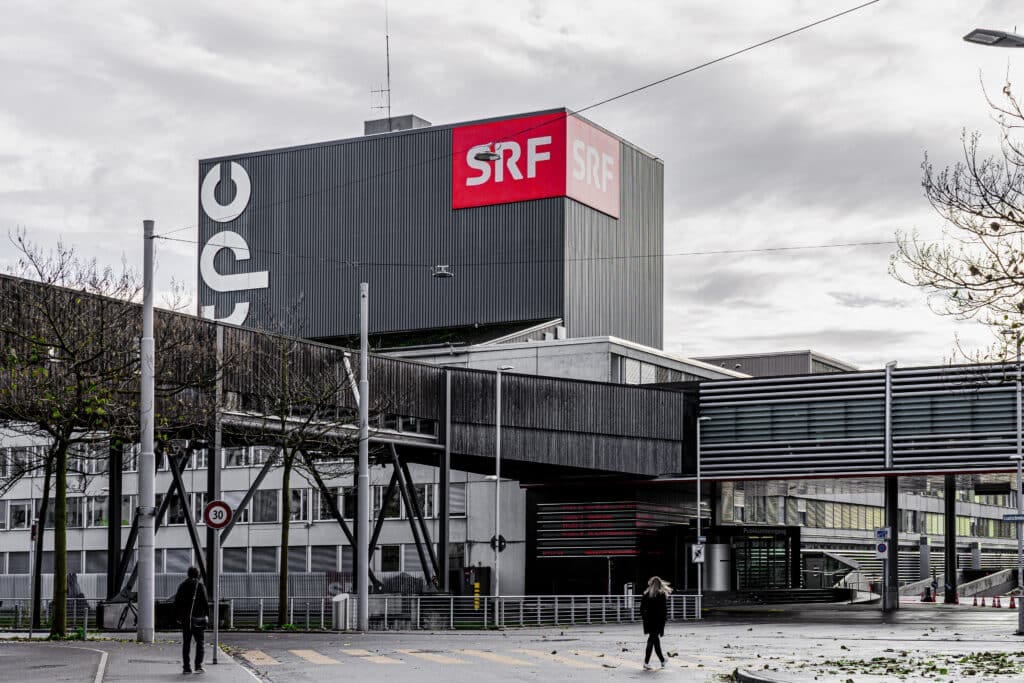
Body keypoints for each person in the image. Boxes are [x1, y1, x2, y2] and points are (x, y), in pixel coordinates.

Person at [174, 566, 210, 674]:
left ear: (188, 574)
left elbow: (176, 602)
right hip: (198, 618)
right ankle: (198, 666)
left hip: (186, 619)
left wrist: (178, 616)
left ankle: (186, 667)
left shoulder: (182, 585)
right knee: (200, 643)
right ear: (198, 575)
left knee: (186, 643)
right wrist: (207, 615)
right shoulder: (200, 586)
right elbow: (205, 602)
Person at [640, 575, 672, 670]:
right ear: (660, 584)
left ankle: (662, 660)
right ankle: (646, 662)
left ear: (651, 584)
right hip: (657, 621)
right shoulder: (661, 595)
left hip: (648, 621)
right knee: (652, 640)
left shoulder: (646, 595)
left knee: (655, 641)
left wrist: (645, 618)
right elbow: (663, 611)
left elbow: (641, 609)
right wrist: (663, 623)